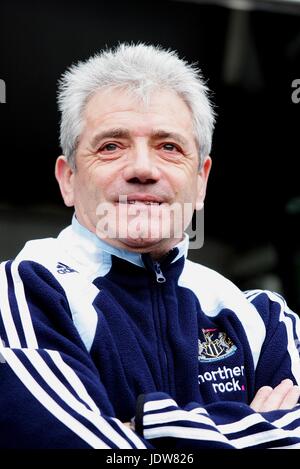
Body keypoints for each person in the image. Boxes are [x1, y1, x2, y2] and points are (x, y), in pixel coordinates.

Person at [0, 43, 300, 449]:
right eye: (111, 146)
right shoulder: (23, 292)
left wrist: (146, 424)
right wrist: (258, 431)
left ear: (201, 180)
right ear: (68, 178)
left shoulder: (264, 319)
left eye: (169, 147)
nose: (143, 169)